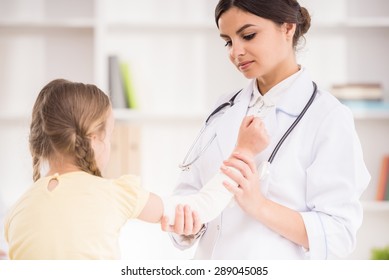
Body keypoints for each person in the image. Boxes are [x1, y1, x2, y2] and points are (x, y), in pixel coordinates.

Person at [161, 0, 370, 260]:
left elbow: (338, 234)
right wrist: (188, 222)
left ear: (288, 28)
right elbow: (189, 192)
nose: (235, 52)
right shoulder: (224, 108)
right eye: (228, 41)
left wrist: (258, 205)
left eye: (248, 35)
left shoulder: (328, 117)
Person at [3, 79, 267, 259]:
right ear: (95, 138)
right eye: (111, 136)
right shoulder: (116, 193)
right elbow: (201, 206)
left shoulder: (17, 212)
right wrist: (243, 151)